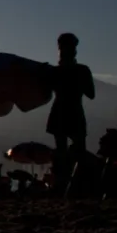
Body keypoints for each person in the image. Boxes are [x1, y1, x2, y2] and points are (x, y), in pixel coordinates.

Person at [46, 32, 94, 194]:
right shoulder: (82, 70)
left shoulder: (53, 72)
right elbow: (91, 94)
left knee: (61, 151)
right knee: (79, 151)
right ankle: (78, 184)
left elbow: (46, 92)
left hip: (59, 112)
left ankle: (62, 184)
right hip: (75, 112)